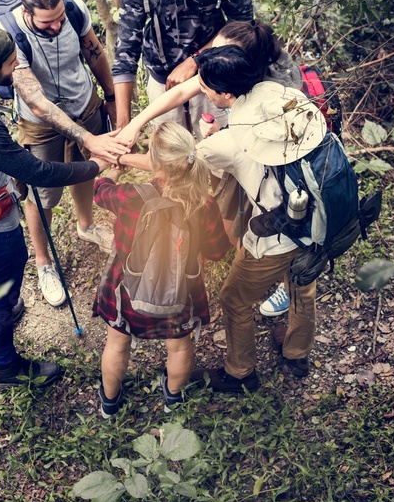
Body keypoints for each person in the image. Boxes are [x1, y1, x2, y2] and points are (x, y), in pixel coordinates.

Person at [120, 46, 326, 392]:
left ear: (225, 93)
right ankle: (296, 352)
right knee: (302, 283)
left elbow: (176, 165)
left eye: (205, 86)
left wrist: (123, 159)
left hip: (277, 235)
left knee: (234, 298)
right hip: (319, 219)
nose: (201, 90)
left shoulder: (232, 140)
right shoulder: (282, 95)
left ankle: (240, 373)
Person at [0, 27, 113, 389]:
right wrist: (96, 165)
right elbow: (39, 172)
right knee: (2, 297)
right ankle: (4, 366)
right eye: (10, 62)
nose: (17, 65)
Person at [116, 20, 302, 317]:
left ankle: (288, 279)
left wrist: (123, 159)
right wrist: (136, 124)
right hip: (233, 144)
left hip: (270, 161)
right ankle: (244, 252)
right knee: (232, 215)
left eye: (220, 52)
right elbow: (181, 93)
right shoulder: (228, 71)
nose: (211, 58)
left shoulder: (269, 96)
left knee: (275, 217)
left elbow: (181, 163)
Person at [0, 0, 130, 307]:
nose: (57, 26)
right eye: (47, 23)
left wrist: (112, 95)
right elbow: (36, 101)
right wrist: (89, 137)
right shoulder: (10, 36)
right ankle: (44, 264)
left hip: (84, 103)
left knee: (85, 170)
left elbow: (95, 52)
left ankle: (86, 226)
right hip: (41, 125)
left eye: (60, 18)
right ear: (27, 11)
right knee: (42, 195)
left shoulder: (73, 8)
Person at [92, 123, 230, 417]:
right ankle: (172, 401)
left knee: (117, 343)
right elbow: (218, 252)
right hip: (181, 290)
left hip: (126, 287)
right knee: (179, 347)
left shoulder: (130, 197)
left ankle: (109, 404)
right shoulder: (203, 204)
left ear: (155, 166)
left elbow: (99, 192)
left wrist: (114, 171)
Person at [111, 0, 255, 134]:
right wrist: (124, 124)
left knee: (217, 150)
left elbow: (243, 25)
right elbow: (126, 52)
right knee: (171, 155)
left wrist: (196, 60)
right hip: (161, 76)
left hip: (213, 74)